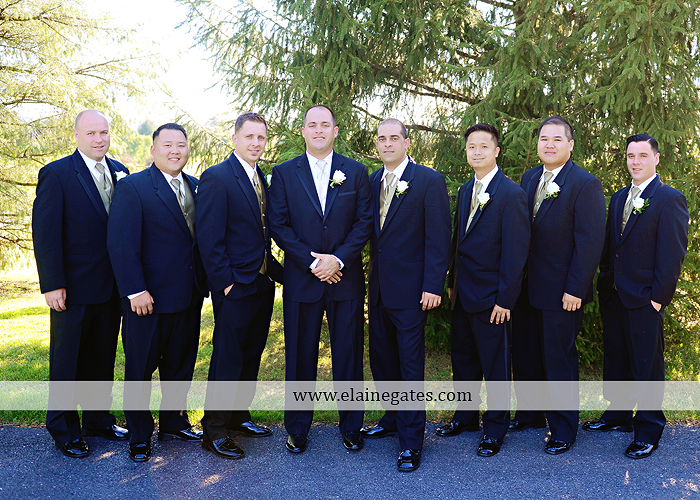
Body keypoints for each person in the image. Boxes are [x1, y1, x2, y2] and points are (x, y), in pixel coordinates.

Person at [268, 104, 372, 454]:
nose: (318, 130)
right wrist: (312, 262)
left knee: (348, 355)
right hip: (303, 279)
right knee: (300, 357)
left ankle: (352, 426)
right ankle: (297, 428)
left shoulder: (355, 172)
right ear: (303, 131)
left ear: (335, 131)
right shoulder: (284, 173)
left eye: (324, 125)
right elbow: (278, 224)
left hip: (345, 278)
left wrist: (337, 259)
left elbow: (364, 223)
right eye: (311, 125)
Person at [583, 134, 688, 459]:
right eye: (631, 156)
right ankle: (618, 415)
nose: (636, 161)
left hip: (645, 299)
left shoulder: (669, 199)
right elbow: (610, 247)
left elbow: (672, 255)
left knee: (647, 366)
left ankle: (648, 430)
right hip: (614, 295)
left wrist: (658, 299)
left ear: (656, 158)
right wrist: (605, 281)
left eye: (643, 155)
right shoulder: (619, 197)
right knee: (617, 359)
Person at [107, 123, 207, 462]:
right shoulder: (133, 187)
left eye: (181, 144)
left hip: (188, 295)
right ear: (153, 150)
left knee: (180, 365)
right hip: (146, 300)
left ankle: (174, 423)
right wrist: (135, 290)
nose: (175, 150)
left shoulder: (196, 186)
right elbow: (121, 244)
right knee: (140, 370)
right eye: (168, 145)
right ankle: (139, 435)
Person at [32, 109, 129, 458]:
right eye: (91, 133)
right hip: (71, 289)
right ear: (76, 136)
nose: (99, 139)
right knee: (67, 361)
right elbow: (45, 234)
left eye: (103, 132)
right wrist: (52, 284)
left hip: (112, 287)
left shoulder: (120, 171)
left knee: (101, 359)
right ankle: (63, 428)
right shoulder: (57, 174)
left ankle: (98, 420)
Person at [510, 116, 606, 454]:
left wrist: (576, 289)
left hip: (562, 290)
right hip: (525, 287)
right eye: (543, 139)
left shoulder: (585, 184)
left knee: (558, 359)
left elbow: (590, 243)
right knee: (525, 354)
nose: (549, 144)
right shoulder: (529, 178)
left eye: (556, 139)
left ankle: (564, 428)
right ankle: (530, 414)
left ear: (570, 144)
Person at [359, 119, 450, 472]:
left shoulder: (428, 180)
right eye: (382, 138)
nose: (387, 143)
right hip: (379, 290)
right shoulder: (372, 181)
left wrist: (433, 285)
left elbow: (438, 238)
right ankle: (392, 418)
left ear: (407, 142)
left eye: (394, 137)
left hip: (413, 292)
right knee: (382, 361)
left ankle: (411, 443)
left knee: (410, 368)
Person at [436, 123, 530, 458]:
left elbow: (516, 253)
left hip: (492, 298)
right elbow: (457, 243)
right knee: (463, 359)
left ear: (496, 151)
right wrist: (451, 284)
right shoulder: (466, 190)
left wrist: (505, 299)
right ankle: (465, 418)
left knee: (495, 367)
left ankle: (495, 429)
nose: (476, 152)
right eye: (471, 147)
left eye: (483, 147)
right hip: (463, 293)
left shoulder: (511, 194)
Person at [196, 112, 284, 460]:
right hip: (234, 285)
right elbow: (209, 238)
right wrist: (225, 284)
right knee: (228, 357)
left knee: (251, 352)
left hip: (261, 282)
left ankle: (238, 416)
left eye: (261, 138)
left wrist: (278, 274)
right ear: (235, 138)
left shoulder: (260, 176)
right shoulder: (217, 177)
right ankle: (214, 430)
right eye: (249, 137)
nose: (256, 143)